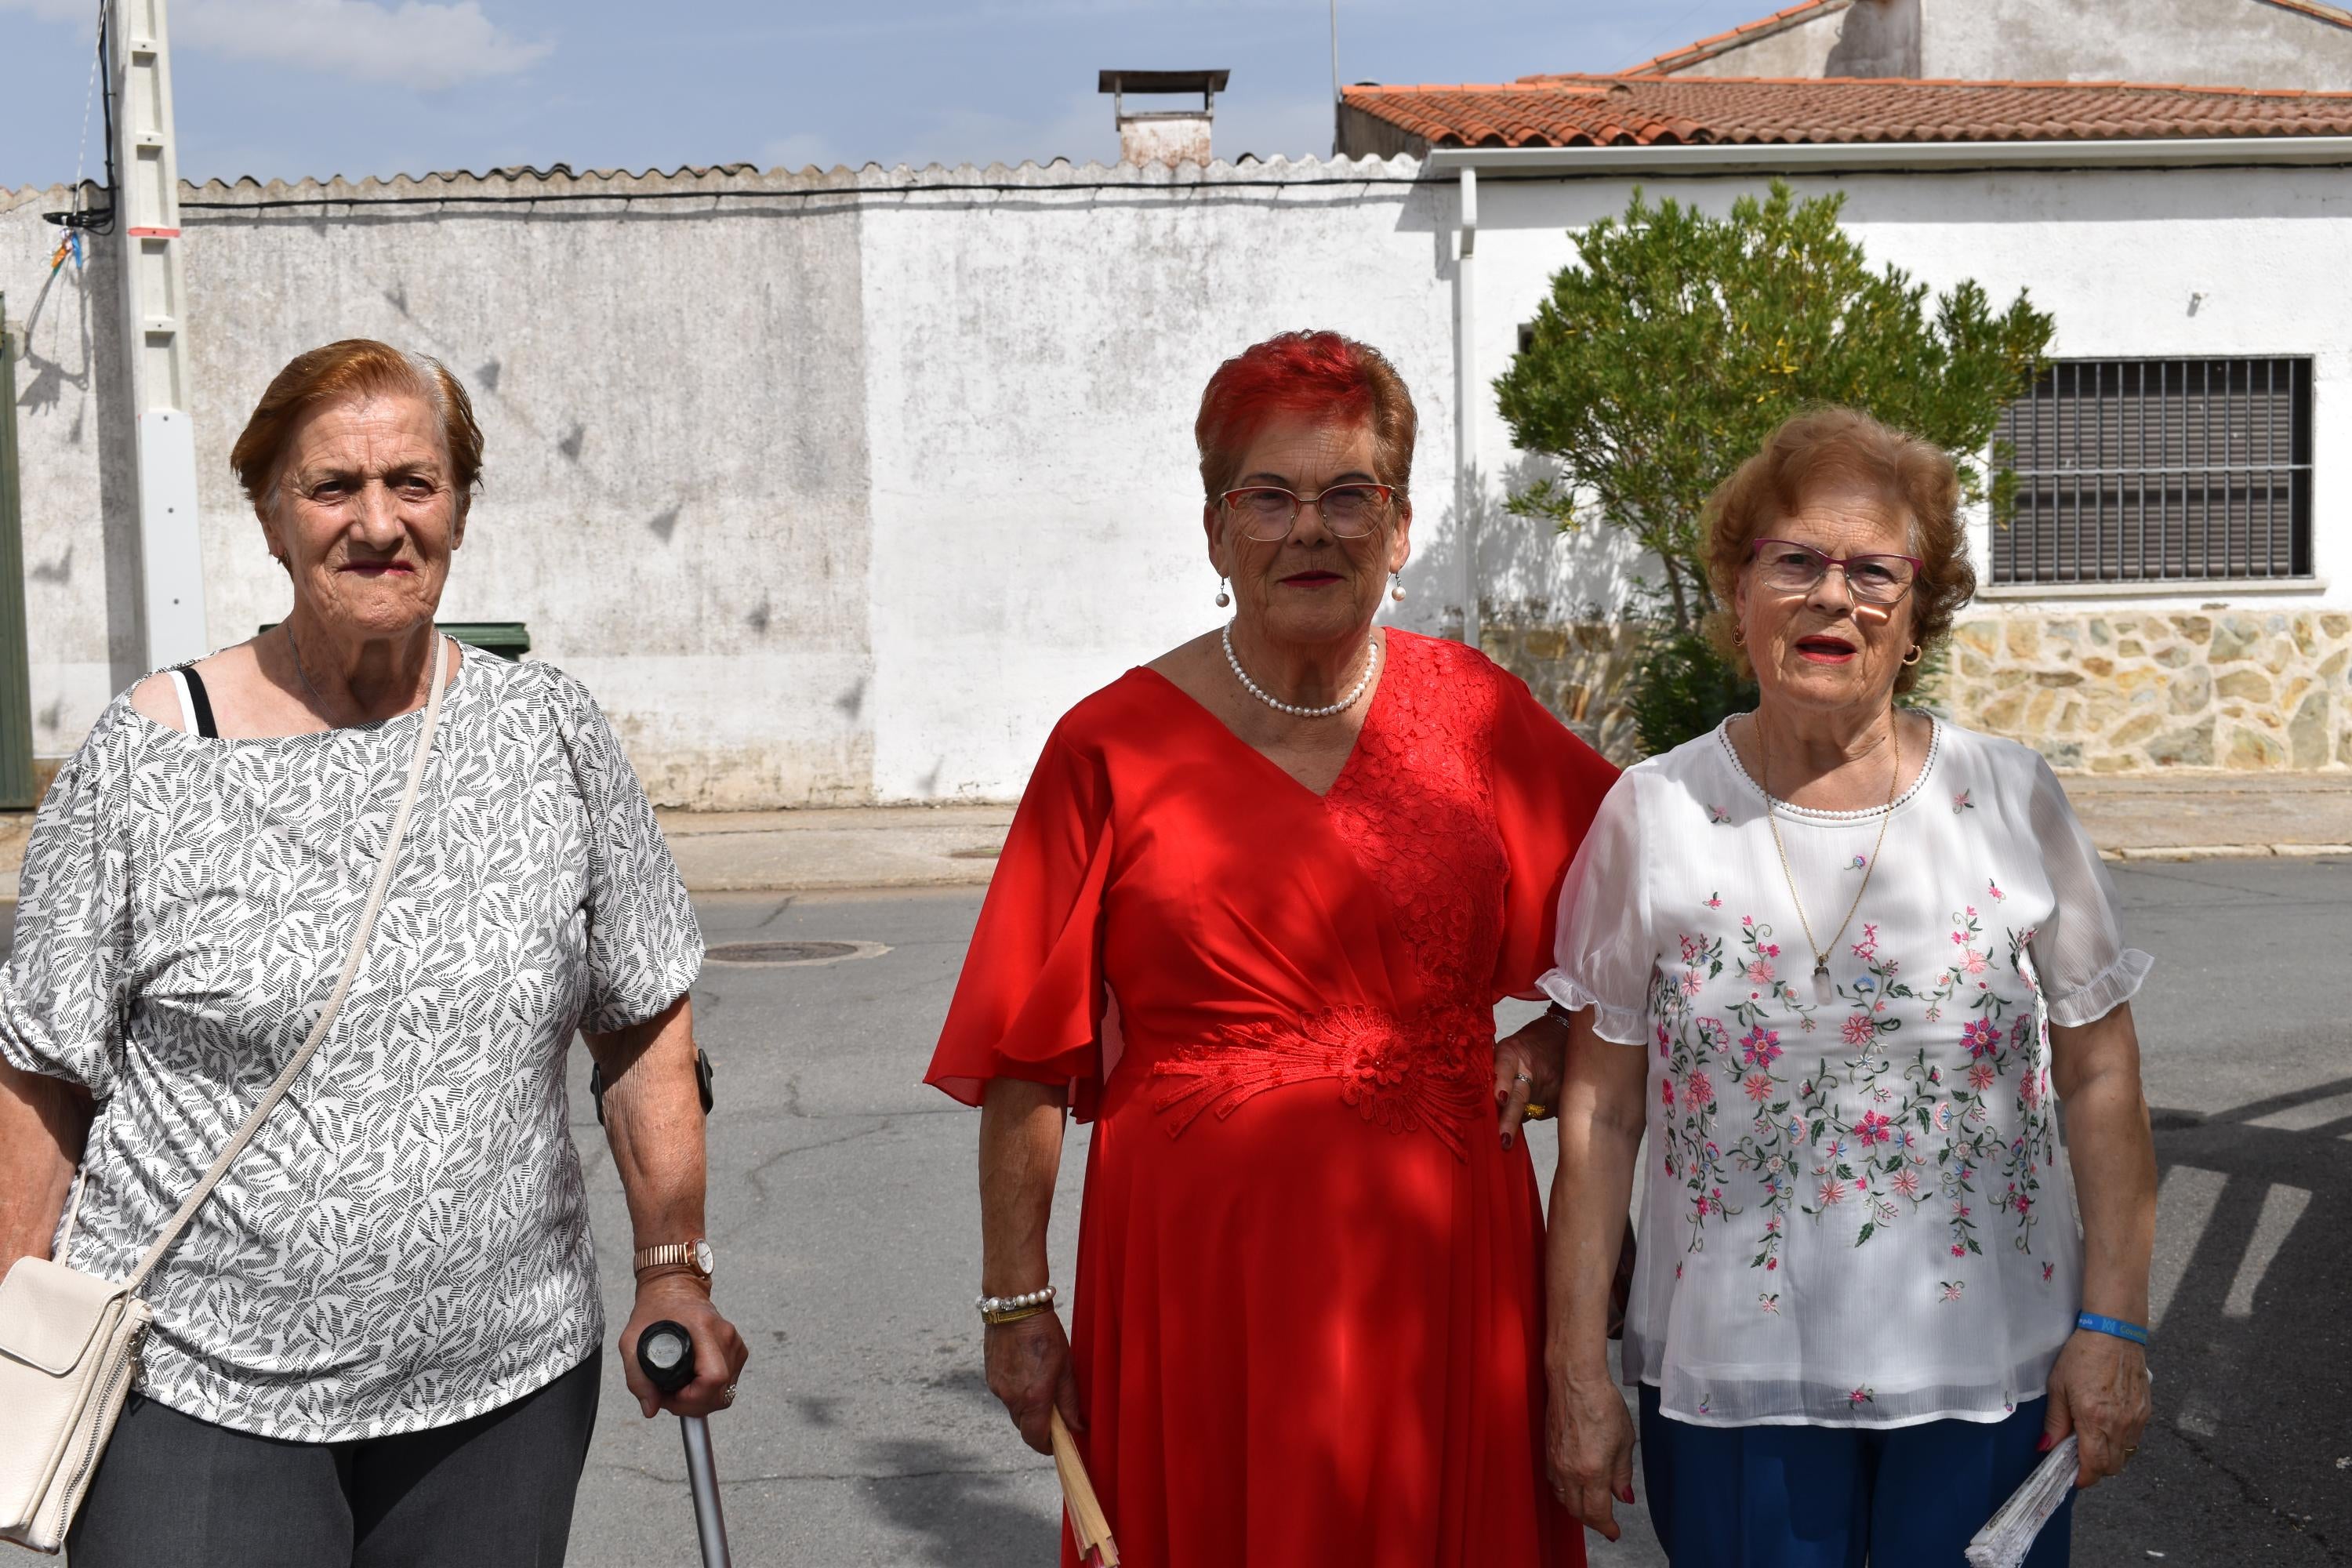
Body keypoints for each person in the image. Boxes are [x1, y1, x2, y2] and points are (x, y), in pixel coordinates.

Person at [0, 339, 749, 1565]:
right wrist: (12, 1325)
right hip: (196, 1388)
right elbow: (42, 1072)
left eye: (415, 482)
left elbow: (642, 1017)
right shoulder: (147, 757)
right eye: (332, 488)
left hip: (501, 1386)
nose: (378, 523)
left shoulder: (548, 731)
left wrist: (673, 1268)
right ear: (268, 517)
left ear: (458, 505)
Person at [926, 329, 1621, 1566]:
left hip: (1444, 1268)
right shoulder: (1110, 746)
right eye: (1273, 497)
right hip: (1199, 1280)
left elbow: (1659, 908)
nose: (1315, 529)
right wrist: (1016, 1301)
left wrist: (1550, 1046)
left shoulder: (1478, 717)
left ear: (1399, 529)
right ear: (1216, 530)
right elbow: (1027, 1057)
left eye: (1351, 494)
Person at [1541, 407, 2158, 1566]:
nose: (1836, 597)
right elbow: (1602, 1110)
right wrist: (1576, 1367)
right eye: (1797, 561)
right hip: (1732, 1382)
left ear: (1918, 611)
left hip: (1991, 1367)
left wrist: (2114, 1322)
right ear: (1738, 591)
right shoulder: (1654, 812)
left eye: (1876, 569)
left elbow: (2100, 1068)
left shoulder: (2011, 797)